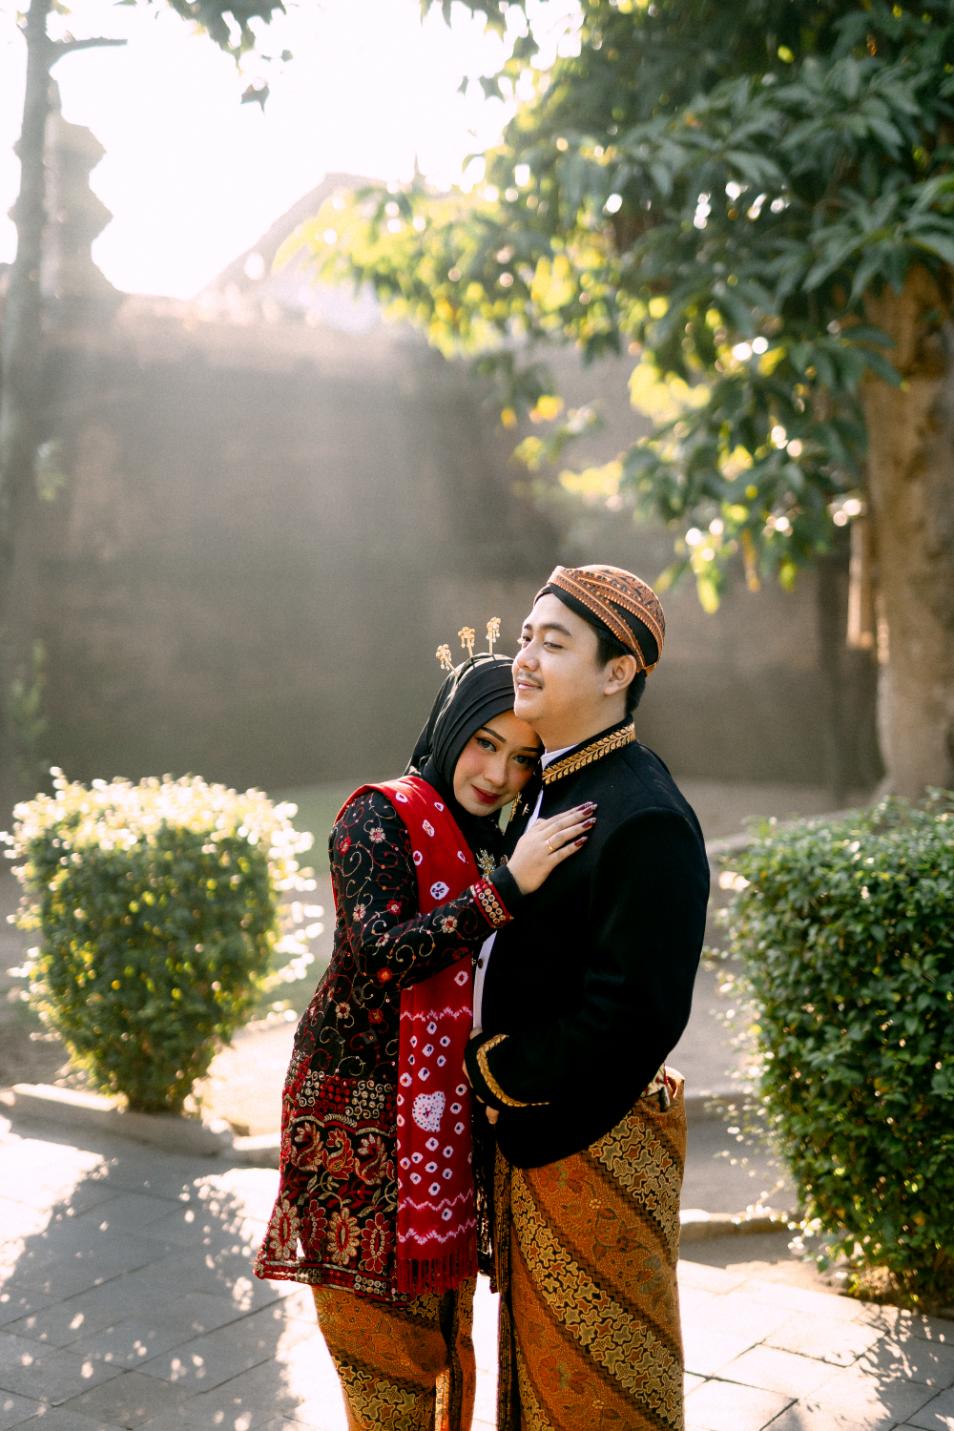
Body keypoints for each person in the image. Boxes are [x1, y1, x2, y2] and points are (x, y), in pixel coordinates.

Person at [254, 637, 593, 1431]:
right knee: (380, 1357)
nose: (498, 773)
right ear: (451, 726)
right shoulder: (376, 815)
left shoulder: (491, 839)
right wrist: (506, 889)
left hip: (443, 1130)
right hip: (356, 1127)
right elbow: (380, 954)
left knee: (441, 1342)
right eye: (485, 742)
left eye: (522, 758)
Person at [465, 565, 710, 1431]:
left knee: (599, 1395)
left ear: (617, 671)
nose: (525, 657)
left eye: (554, 643)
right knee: (541, 1387)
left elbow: (636, 1014)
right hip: (543, 1142)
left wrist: (497, 1069)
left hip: (593, 1145)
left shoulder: (644, 814)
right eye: (527, 636)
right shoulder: (552, 780)